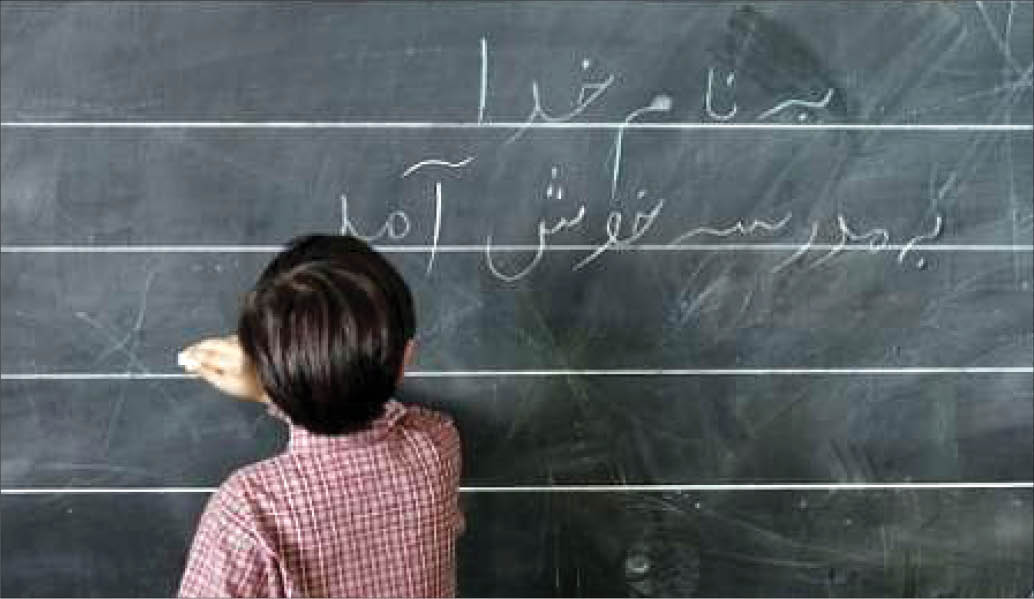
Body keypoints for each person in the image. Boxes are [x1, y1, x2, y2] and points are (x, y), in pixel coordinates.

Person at [177, 234, 464, 597]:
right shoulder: (436, 445)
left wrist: (275, 385)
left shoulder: (249, 509)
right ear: (405, 360)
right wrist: (279, 383)